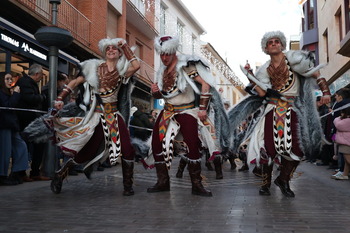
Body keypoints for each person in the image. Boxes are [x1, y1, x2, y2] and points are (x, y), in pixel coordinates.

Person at [228, 30, 331, 197]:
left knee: (297, 150)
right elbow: (262, 93)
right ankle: (265, 183)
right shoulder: (264, 70)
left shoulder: (295, 60)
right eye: (270, 42)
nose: (274, 43)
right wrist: (250, 77)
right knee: (268, 149)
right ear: (266, 49)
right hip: (272, 110)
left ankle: (283, 180)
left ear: (282, 44)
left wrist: (325, 92)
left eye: (277, 41)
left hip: (293, 110)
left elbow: (316, 72)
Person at [50, 38, 140, 195]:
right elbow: (74, 82)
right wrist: (60, 98)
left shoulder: (121, 71)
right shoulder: (94, 69)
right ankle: (60, 175)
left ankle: (128, 186)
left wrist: (125, 46)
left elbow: (136, 65)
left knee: (127, 149)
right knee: (87, 152)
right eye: (108, 48)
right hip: (97, 116)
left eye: (114, 48)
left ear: (119, 53)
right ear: (104, 53)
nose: (111, 50)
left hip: (114, 116)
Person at [146, 36, 230, 196]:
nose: (164, 58)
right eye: (162, 54)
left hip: (187, 110)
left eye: (167, 54)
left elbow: (205, 84)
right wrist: (156, 93)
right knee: (156, 144)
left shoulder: (186, 66)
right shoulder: (161, 71)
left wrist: (203, 108)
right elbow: (162, 97)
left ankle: (196, 185)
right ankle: (163, 182)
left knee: (193, 145)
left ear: (173, 51)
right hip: (168, 111)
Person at [16, 64, 50, 181]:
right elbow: (30, 98)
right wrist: (42, 98)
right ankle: (21, 173)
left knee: (39, 144)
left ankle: (35, 172)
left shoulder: (30, 83)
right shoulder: (25, 82)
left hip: (32, 120)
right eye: (41, 74)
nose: (42, 77)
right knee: (24, 146)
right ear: (36, 74)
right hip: (26, 120)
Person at [0, 72, 30, 185]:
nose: (9, 81)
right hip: (4, 125)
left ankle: (18, 171)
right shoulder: (2, 93)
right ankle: (2, 175)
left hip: (11, 125)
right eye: (7, 79)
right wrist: (15, 95)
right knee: (5, 151)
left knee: (21, 146)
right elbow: (8, 106)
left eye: (10, 79)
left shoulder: (8, 93)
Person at [333, 106, 350, 180]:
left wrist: (338, 118)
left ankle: (345, 174)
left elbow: (338, 125)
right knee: (347, 161)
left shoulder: (347, 120)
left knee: (348, 160)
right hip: (346, 141)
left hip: (345, 142)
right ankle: (345, 174)